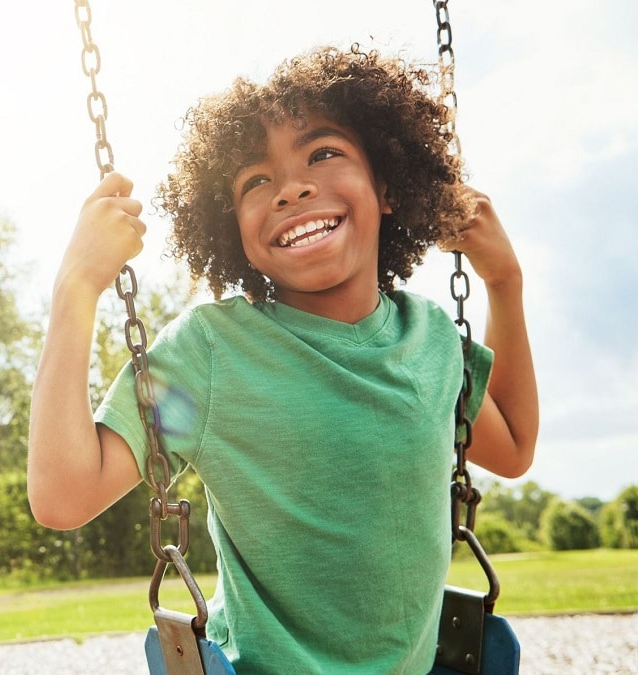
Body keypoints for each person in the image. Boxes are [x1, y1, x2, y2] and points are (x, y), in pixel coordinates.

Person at [27, 45, 539, 673]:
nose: (292, 188)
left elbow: (511, 447)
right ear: (231, 227)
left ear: (386, 186)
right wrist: (75, 290)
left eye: (324, 153)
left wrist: (504, 281)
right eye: (254, 181)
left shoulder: (428, 337)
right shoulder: (214, 355)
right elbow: (64, 495)